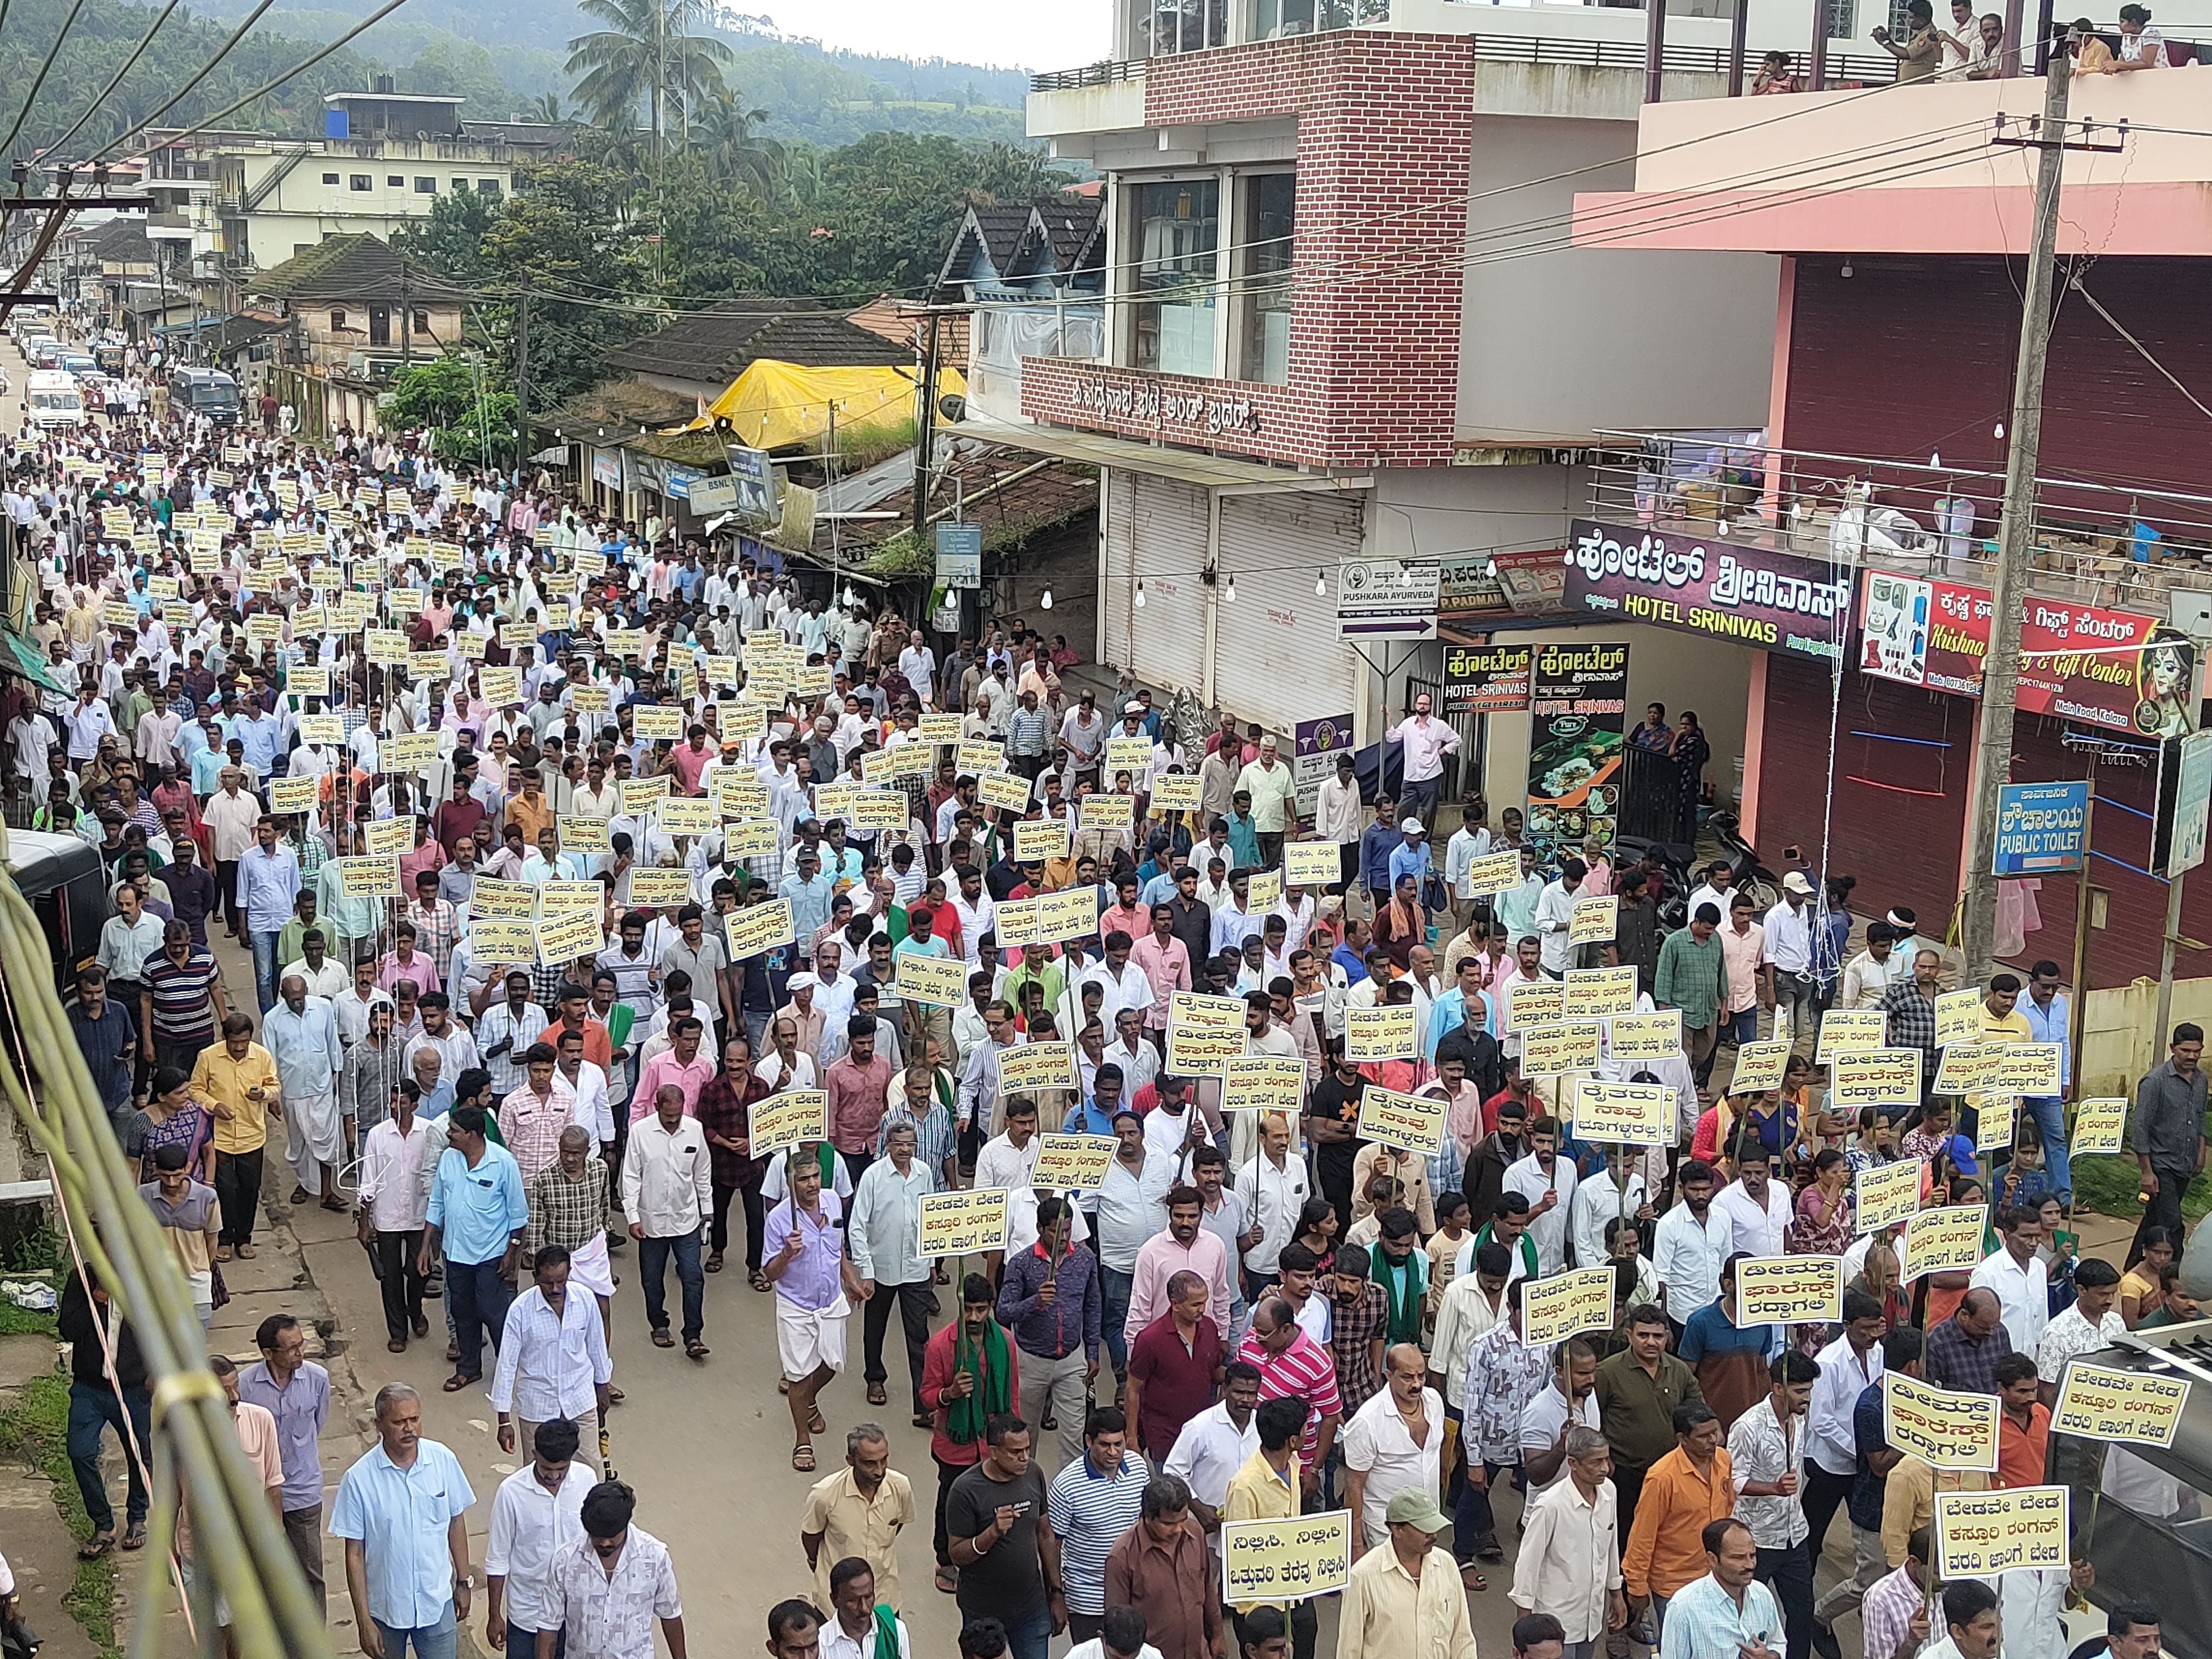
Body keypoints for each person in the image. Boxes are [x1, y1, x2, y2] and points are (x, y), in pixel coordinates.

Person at [333, 1382, 476, 1659]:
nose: (409, 1428)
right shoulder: (359, 1479)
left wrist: (463, 1581)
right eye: (399, 1422)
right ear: (379, 1424)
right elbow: (354, 1552)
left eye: (415, 1419)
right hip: (386, 1610)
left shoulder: (443, 1461)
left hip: (436, 1602)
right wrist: (363, 1621)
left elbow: (456, 1522)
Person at [763, 1149, 864, 1472]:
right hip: (796, 1306)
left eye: (815, 1177)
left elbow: (839, 1249)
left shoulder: (833, 1201)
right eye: (803, 1179)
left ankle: (808, 1400)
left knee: (833, 1363)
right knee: (797, 1373)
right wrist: (786, 1254)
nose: (811, 1185)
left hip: (831, 1300)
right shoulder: (779, 1219)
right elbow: (769, 1273)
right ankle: (802, 1438)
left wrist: (851, 1281)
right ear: (790, 1183)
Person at [421, 1103, 530, 1393]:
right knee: (463, 1311)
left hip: (490, 1256)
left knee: (494, 1313)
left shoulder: (503, 1163)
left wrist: (512, 1252)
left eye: (454, 1131)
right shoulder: (449, 1159)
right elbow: (437, 1203)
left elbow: (518, 1214)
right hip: (455, 1254)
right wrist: (425, 1247)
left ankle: (509, 1372)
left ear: (472, 1134)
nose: (449, 1135)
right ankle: (469, 1369)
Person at [237, 1312, 333, 1610]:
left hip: (303, 1490)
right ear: (268, 1353)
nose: (299, 1353)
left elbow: (317, 1423)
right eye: (291, 1349)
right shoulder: (246, 1385)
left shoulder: (318, 1379)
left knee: (310, 1572)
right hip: (261, 1493)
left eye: (301, 1345)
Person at [997, 1195, 1101, 1469]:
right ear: (1040, 1228)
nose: (1063, 1237)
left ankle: (1071, 1500)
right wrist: (1034, 1302)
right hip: (1031, 1362)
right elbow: (1003, 1311)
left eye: (1067, 1230)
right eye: (1056, 1231)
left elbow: (1092, 1306)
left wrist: (1092, 1352)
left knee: (1074, 1438)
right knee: (1024, 1436)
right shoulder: (1021, 1263)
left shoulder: (1085, 1259)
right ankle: (1025, 1495)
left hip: (1071, 1360)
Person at [1728, 1352, 1818, 1659]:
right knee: (1748, 1613)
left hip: (1795, 1535)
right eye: (1800, 1391)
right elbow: (1734, 1481)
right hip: (1758, 1539)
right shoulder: (1748, 1426)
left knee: (1802, 1611)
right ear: (1779, 1388)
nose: (1807, 1398)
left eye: (1809, 1390)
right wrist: (1774, 1489)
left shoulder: (1800, 1420)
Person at [946, 1414, 1058, 1659]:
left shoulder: (1033, 1473)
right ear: (993, 1451)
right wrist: (992, 1533)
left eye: (1027, 1449)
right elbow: (957, 1555)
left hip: (1031, 1609)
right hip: (982, 1614)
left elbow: (1045, 1534)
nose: (1024, 1458)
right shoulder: (965, 1490)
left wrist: (1057, 1591)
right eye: (1015, 1451)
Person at [57, 1266, 152, 1559]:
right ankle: (104, 1524)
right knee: (80, 1452)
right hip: (90, 1387)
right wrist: (96, 1300)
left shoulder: (144, 1275)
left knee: (138, 1452)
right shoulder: (82, 1278)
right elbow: (67, 1330)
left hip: (132, 1388)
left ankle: (137, 1516)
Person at [491, 1246, 613, 1472]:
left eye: (561, 1281)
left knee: (589, 1467)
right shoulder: (520, 1310)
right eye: (548, 1282)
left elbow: (597, 1347)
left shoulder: (585, 1299)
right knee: (536, 1472)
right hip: (537, 1405)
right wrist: (504, 1419)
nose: (555, 1289)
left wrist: (602, 1387)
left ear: (569, 1273)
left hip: (580, 1400)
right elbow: (507, 1364)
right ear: (535, 1277)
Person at [1510, 1426, 1626, 1659]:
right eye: (1597, 1462)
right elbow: (1528, 1564)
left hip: (1591, 1619)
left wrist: (1616, 1594)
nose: (1605, 1468)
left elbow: (1610, 1546)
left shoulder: (1609, 1492)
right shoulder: (1550, 1505)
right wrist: (1524, 1626)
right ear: (1573, 1463)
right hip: (1556, 1621)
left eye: (1607, 1459)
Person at [849, 1120, 937, 1419]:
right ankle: (875, 1378)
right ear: (887, 1145)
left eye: (910, 1144)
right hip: (882, 1267)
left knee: (919, 1335)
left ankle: (923, 1403)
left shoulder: (924, 1174)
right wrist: (866, 1270)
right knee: (875, 1329)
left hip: (916, 1268)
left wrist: (932, 1262)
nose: (904, 1149)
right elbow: (857, 1226)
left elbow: (932, 1220)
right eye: (899, 1143)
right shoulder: (873, 1176)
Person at [1622, 1403, 1734, 1637]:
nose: (1713, 1440)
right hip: (1674, 1584)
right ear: (1683, 1439)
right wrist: (1637, 1587)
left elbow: (1728, 1508)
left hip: (1715, 1577)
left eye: (1715, 1432)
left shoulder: (1723, 1460)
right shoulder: (1662, 1477)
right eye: (1704, 1436)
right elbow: (1642, 1535)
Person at [542, 1480, 686, 1659]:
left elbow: (670, 1615)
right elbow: (548, 1625)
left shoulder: (654, 1556)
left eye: (611, 1537)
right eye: (598, 1537)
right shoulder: (565, 1560)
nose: (604, 1543)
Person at [484, 1419, 589, 1659]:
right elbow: (498, 1559)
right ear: (534, 1454)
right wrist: (494, 1615)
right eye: (546, 1469)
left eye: (561, 1470)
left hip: (574, 1612)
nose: (553, 1476)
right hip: (528, 1614)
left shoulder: (586, 1480)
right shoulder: (511, 1492)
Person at [623, 1083, 713, 1359]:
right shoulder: (640, 1133)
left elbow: (702, 1173)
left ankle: (693, 1335)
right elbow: (631, 1176)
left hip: (686, 1219)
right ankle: (659, 1325)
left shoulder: (695, 1130)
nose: (673, 1122)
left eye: (677, 1116)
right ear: (657, 1107)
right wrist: (633, 1216)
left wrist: (707, 1210)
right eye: (668, 1116)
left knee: (693, 1276)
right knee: (652, 1280)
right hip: (651, 1221)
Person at [1336, 1488, 1479, 1659]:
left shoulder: (1446, 1565)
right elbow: (1349, 1649)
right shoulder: (1363, 1576)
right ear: (1397, 1530)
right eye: (1424, 1529)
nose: (1432, 1535)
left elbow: (1462, 1637)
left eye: (1434, 1527)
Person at [1046, 1406, 1148, 1645]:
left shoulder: (1139, 1467)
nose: (1113, 1452)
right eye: (1105, 1445)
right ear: (1089, 1441)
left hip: (1132, 1592)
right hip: (1087, 1599)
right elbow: (1053, 1544)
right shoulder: (1067, 1485)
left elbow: (1146, 1523)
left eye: (1119, 1444)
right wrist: (1056, 1595)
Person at [800, 1422, 916, 1617]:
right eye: (870, 1463)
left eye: (884, 1460)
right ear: (851, 1460)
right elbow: (811, 1536)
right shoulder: (825, 1495)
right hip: (836, 1608)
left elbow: (898, 1525)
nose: (879, 1471)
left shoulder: (901, 1487)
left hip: (884, 1599)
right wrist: (816, 1561)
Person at [1102, 1473, 1218, 1659]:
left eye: (1182, 1520)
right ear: (1147, 1516)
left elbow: (1207, 1588)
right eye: (1168, 1524)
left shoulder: (1195, 1533)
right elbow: (1118, 1625)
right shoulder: (1122, 1556)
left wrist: (1218, 1635)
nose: (1178, 1529)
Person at [192, 1012, 279, 1259]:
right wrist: (213, 1105)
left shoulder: (262, 1056)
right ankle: (224, 1238)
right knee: (224, 1189)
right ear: (225, 1038)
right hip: (219, 1137)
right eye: (235, 1043)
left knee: (249, 1189)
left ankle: (245, 1238)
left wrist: (263, 1095)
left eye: (244, 1042)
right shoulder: (208, 1057)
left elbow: (274, 1086)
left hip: (252, 1136)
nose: (240, 1048)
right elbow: (195, 1089)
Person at [1341, 1343, 1444, 1553]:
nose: (1417, 1384)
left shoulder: (1434, 1402)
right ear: (1389, 1375)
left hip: (1428, 1522)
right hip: (1385, 1530)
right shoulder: (1367, 1421)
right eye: (1408, 1377)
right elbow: (1354, 1486)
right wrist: (1356, 1544)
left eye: (1421, 1376)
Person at [1124, 1271, 1226, 1467]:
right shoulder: (1149, 1340)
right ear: (1175, 1304)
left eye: (1204, 1302)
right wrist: (1131, 1437)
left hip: (1203, 1433)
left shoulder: (1210, 1328)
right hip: (1165, 1437)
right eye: (1196, 1304)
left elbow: (1212, 1372)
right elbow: (1133, 1389)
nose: (1202, 1309)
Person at [1657, 1518, 1788, 1659]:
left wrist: (1770, 1656)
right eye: (1738, 1558)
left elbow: (1778, 1643)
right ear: (1713, 1559)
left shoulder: (1763, 1595)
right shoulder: (1683, 1608)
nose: (1750, 1565)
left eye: (1753, 1556)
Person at [2132, 1023, 2205, 1257]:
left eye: (2197, 1051)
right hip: (2161, 1165)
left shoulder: (2201, 1080)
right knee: (2173, 1226)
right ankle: (2175, 1278)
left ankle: (2133, 1266)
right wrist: (2146, 1172)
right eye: (2186, 1050)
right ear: (2173, 1048)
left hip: (2185, 1162)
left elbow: (2200, 1117)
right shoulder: (2155, 1082)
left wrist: (2201, 1153)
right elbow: (2140, 1127)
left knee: (2155, 1218)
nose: (2191, 1056)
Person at [819, 1557, 911, 1659]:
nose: (864, 1608)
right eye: (853, 1601)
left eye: (868, 1597)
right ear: (834, 1600)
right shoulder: (822, 1646)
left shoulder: (896, 1631)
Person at [1922, 1581, 2000, 1659]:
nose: (1998, 1635)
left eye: (1999, 1624)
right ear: (1958, 1631)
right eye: (1987, 1627)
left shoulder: (1996, 1653)